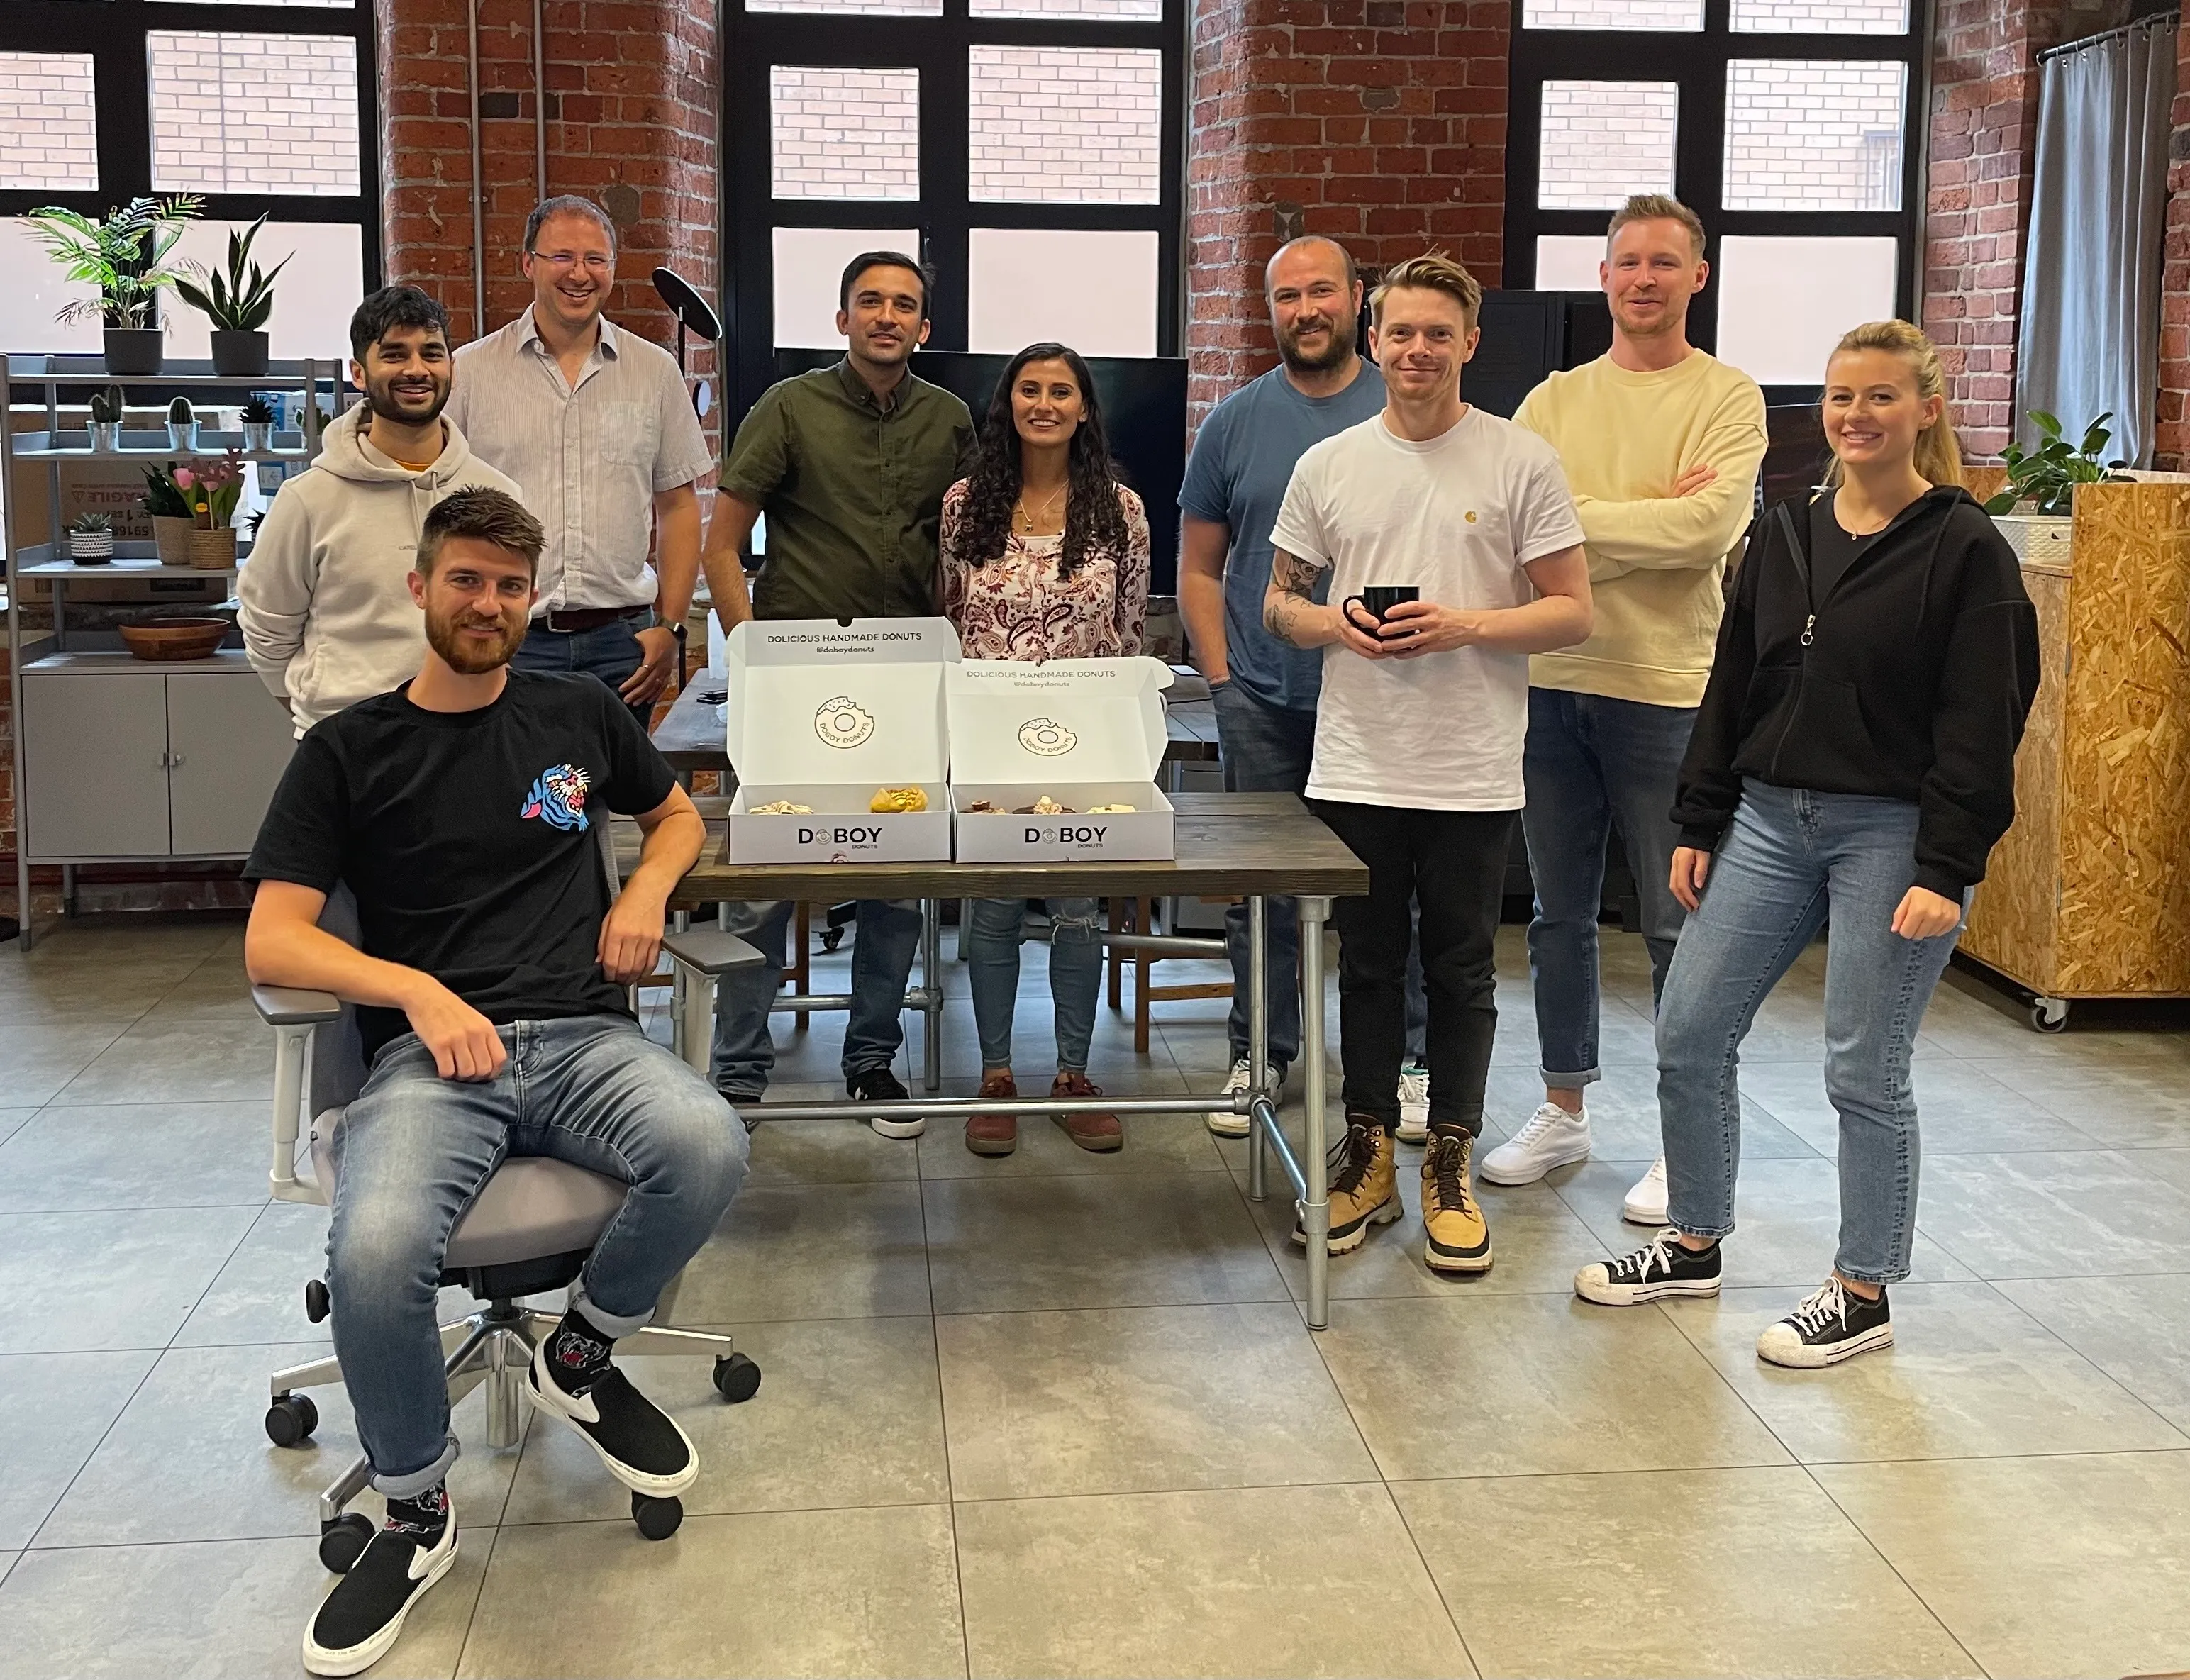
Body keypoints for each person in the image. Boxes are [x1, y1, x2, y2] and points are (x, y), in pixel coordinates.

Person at [243, 488, 747, 1674]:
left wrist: (640, 891)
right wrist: (416, 992)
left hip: (580, 1036)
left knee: (709, 1144)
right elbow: (273, 938)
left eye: (509, 586)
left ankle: (580, 1351)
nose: (488, 604)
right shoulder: (350, 749)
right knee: (373, 1253)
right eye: (465, 580)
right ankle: (416, 1505)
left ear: (530, 600)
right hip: (433, 1058)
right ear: (420, 587)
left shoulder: (574, 713)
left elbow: (676, 817)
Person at [1574, 320, 2038, 1367]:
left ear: (1924, 409)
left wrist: (1948, 866)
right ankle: (1694, 1243)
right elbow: (1733, 684)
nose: (1857, 416)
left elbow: (1986, 716)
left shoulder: (1966, 549)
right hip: (1768, 822)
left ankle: (1862, 1287)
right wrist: (1702, 817)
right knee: (1689, 1028)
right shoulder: (1783, 534)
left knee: (1863, 1067)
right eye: (1840, 397)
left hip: (1892, 830)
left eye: (1880, 397)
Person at [1263, 252, 1590, 1273]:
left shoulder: (1519, 460)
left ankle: (1447, 1158)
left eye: (1437, 334)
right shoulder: (1329, 465)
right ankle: (1366, 1155)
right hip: (1358, 762)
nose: (1416, 350)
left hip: (1471, 765)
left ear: (1470, 345)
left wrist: (1465, 625)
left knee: (1459, 969)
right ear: (1374, 339)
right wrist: (1338, 627)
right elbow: (1278, 605)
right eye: (1400, 332)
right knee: (1365, 966)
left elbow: (1574, 609)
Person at [1486, 194, 1767, 1225]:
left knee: (1672, 922)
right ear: (1604, 278)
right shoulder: (1553, 400)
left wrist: (1574, 523)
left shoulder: (1729, 397)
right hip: (1551, 684)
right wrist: (1632, 520)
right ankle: (1564, 1105)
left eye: (1664, 263)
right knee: (1556, 917)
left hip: (1666, 694)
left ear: (1698, 277)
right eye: (1626, 263)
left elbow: (1704, 535)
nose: (1643, 279)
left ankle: (1677, 1139)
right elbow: (1509, 526)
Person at [698, 251, 977, 1137]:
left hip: (908, 680)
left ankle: (871, 1061)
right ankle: (738, 1072)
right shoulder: (788, 407)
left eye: (904, 305)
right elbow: (722, 545)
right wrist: (751, 660)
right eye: (870, 302)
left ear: (924, 327)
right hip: (797, 677)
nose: (886, 317)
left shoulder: (951, 419)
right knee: (763, 881)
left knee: (895, 880)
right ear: (842, 318)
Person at [1177, 235, 1435, 1142]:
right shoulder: (1234, 423)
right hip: (1262, 696)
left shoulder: (1407, 408)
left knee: (1390, 890)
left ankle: (1410, 1060)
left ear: (1358, 299)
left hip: (1385, 702)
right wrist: (1219, 678)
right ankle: (1262, 1050)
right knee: (1263, 893)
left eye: (1321, 290)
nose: (1304, 309)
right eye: (1285, 295)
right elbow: (1201, 569)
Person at [939, 343, 1152, 1157]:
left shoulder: (1121, 510)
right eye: (1029, 389)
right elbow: (951, 618)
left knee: (1074, 907)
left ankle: (1072, 1072)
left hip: (1084, 737)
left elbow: (1130, 630)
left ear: (1085, 408)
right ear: (1009, 403)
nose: (1045, 403)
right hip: (989, 736)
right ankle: (995, 1074)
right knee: (992, 908)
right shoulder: (966, 505)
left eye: (1061, 390)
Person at [445, 194, 714, 726]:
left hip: (624, 644)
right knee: (510, 801)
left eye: (596, 260)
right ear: (528, 264)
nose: (580, 274)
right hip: (508, 637)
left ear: (613, 268)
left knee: (604, 803)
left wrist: (672, 626)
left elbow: (679, 507)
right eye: (562, 257)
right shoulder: (470, 373)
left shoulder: (655, 373)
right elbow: (439, 507)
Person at [240, 286, 523, 737]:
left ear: (450, 365)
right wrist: (319, 714)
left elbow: (511, 616)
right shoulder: (307, 500)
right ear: (359, 372)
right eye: (394, 355)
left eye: (432, 353)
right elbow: (266, 631)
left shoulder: (498, 493)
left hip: (472, 737)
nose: (416, 370)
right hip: (347, 743)